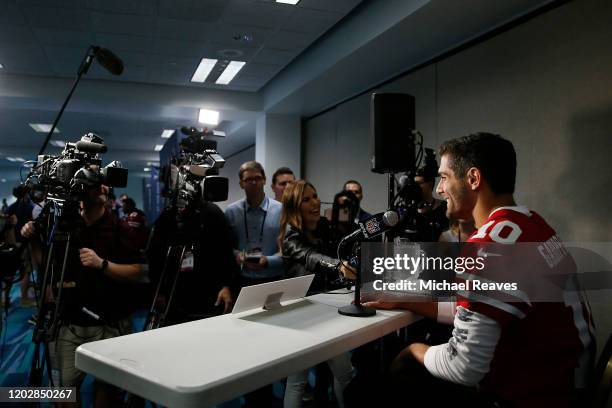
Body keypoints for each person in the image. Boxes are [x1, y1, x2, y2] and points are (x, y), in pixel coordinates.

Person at [361, 133, 595, 407]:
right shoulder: (531, 222)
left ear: (473, 179)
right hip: (568, 386)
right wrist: (408, 300)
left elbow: (463, 366)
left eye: (444, 177)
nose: (438, 189)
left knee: (379, 385)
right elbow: (485, 308)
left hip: (532, 396)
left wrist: (413, 351)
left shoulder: (488, 245)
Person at [21, 184, 144, 407]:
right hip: (69, 323)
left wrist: (102, 265)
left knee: (107, 392)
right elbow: (44, 266)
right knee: (64, 395)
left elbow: (139, 272)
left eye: (104, 185)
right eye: (95, 185)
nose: (103, 188)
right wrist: (32, 238)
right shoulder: (65, 228)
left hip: (110, 323)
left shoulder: (120, 228)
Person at [279, 180, 355, 407]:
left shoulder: (323, 227)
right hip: (301, 314)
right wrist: (338, 266)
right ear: (295, 206)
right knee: (299, 381)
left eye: (315, 196)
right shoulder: (291, 236)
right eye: (306, 199)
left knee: (341, 374)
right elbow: (310, 256)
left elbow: (340, 250)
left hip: (324, 311)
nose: (315, 202)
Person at [225, 161, 284, 287]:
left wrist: (267, 260)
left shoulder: (281, 210)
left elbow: (288, 250)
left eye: (257, 178)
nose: (253, 182)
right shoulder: (231, 212)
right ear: (241, 184)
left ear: (264, 180)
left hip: (274, 279)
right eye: (248, 179)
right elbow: (225, 247)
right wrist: (238, 255)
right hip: (241, 280)